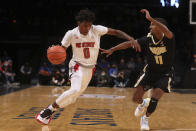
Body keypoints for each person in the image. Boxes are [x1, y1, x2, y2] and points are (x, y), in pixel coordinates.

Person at [35, 9, 135, 125]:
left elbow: (116, 32)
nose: (87, 28)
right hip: (76, 65)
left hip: (90, 68)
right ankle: (46, 111)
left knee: (73, 99)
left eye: (89, 25)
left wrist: (131, 39)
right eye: (85, 26)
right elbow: (61, 50)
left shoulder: (96, 29)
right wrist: (54, 51)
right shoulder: (71, 34)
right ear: (78, 23)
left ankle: (50, 112)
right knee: (75, 89)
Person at [101, 9, 175, 130]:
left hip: (165, 73)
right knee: (135, 98)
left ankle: (145, 119)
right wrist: (112, 49)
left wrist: (151, 19)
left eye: (152, 25)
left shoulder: (169, 38)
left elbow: (167, 31)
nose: (150, 27)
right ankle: (143, 103)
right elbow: (129, 44)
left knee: (155, 99)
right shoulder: (148, 39)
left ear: (160, 27)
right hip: (150, 72)